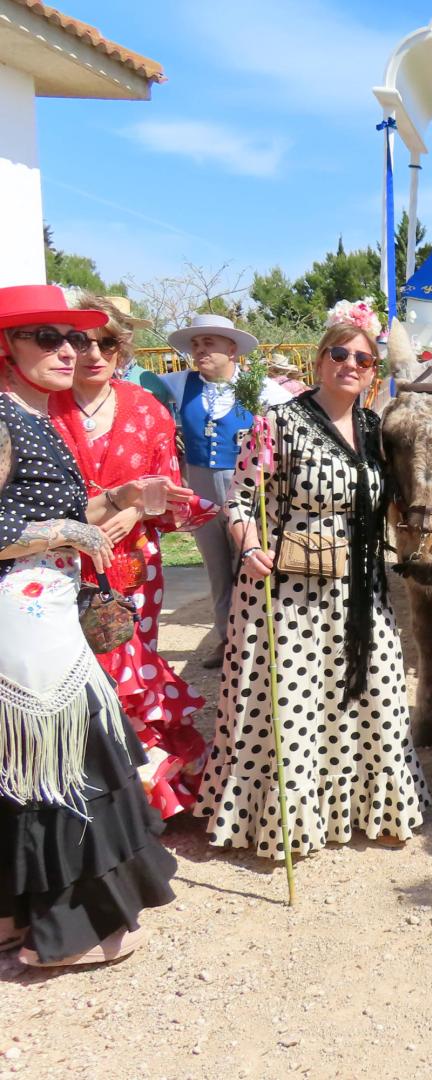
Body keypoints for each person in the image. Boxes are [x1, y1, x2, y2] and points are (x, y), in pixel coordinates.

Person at [197, 306, 429, 855]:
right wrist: (249, 545)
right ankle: (288, 819)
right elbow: (239, 501)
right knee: (298, 708)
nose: (351, 364)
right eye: (340, 354)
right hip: (290, 590)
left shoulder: (377, 431)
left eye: (363, 358)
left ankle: (362, 807)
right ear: (320, 360)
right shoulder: (278, 423)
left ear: (374, 371)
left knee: (375, 693)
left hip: (359, 586)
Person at [0, 284, 177, 967]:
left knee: (39, 770)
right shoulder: (5, 418)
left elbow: (49, 507)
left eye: (74, 338)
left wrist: (124, 496)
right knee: (57, 767)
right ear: (6, 348)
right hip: (22, 623)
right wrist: (66, 528)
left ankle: (17, 917)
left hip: (45, 611)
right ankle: (63, 930)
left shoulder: (35, 416)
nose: (69, 350)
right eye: (47, 337)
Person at [50, 293, 213, 818]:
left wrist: (140, 512)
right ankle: (76, 795)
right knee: (66, 676)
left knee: (130, 674)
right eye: (80, 340)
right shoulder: (40, 408)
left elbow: (167, 492)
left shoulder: (148, 410)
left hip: (133, 564)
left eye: (108, 342)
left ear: (124, 348)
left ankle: (139, 800)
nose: (94, 353)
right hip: (56, 566)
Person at [159, 313, 291, 667]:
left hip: (246, 488)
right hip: (200, 488)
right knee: (217, 568)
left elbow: (293, 416)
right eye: (196, 345)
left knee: (248, 563)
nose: (199, 351)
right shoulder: (178, 382)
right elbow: (134, 383)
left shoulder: (261, 386)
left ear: (231, 350)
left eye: (209, 344)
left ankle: (257, 638)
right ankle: (226, 639)